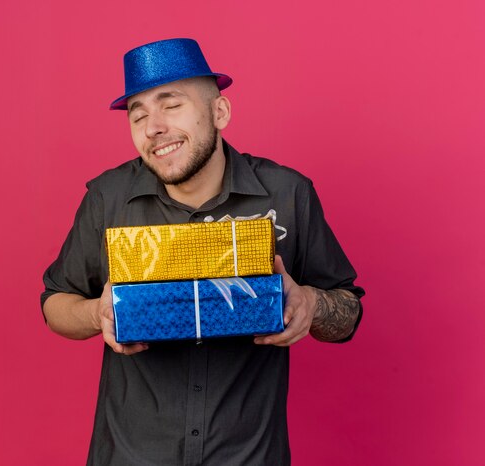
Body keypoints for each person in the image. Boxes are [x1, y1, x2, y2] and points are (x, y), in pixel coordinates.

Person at [41, 38, 364, 465]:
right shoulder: (108, 198)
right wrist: (96, 313)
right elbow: (54, 303)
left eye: (171, 105)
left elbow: (347, 310)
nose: (153, 126)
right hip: (131, 455)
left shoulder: (288, 194)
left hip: (249, 455)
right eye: (138, 115)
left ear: (219, 112)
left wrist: (310, 304)